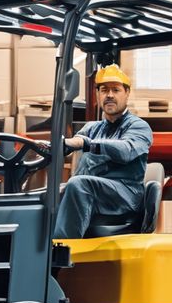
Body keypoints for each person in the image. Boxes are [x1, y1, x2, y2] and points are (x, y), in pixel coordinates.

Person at [53, 64, 153, 239]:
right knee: (52, 192)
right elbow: (74, 143)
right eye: (104, 90)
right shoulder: (92, 128)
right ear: (97, 95)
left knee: (78, 184)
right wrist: (51, 148)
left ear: (127, 93)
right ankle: (38, 247)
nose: (110, 95)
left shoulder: (138, 126)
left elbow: (126, 151)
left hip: (124, 194)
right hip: (96, 192)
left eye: (116, 90)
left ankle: (61, 252)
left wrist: (88, 144)